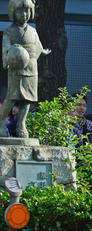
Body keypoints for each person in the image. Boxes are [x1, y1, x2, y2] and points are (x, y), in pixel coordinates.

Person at [0, 0, 50, 138]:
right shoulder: (9, 31)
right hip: (17, 68)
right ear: (12, 12)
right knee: (11, 97)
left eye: (27, 11)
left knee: (28, 99)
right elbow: (5, 48)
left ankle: (21, 124)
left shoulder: (33, 31)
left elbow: (37, 46)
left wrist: (43, 51)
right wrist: (11, 53)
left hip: (31, 68)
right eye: (20, 11)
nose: (24, 14)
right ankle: (0, 121)